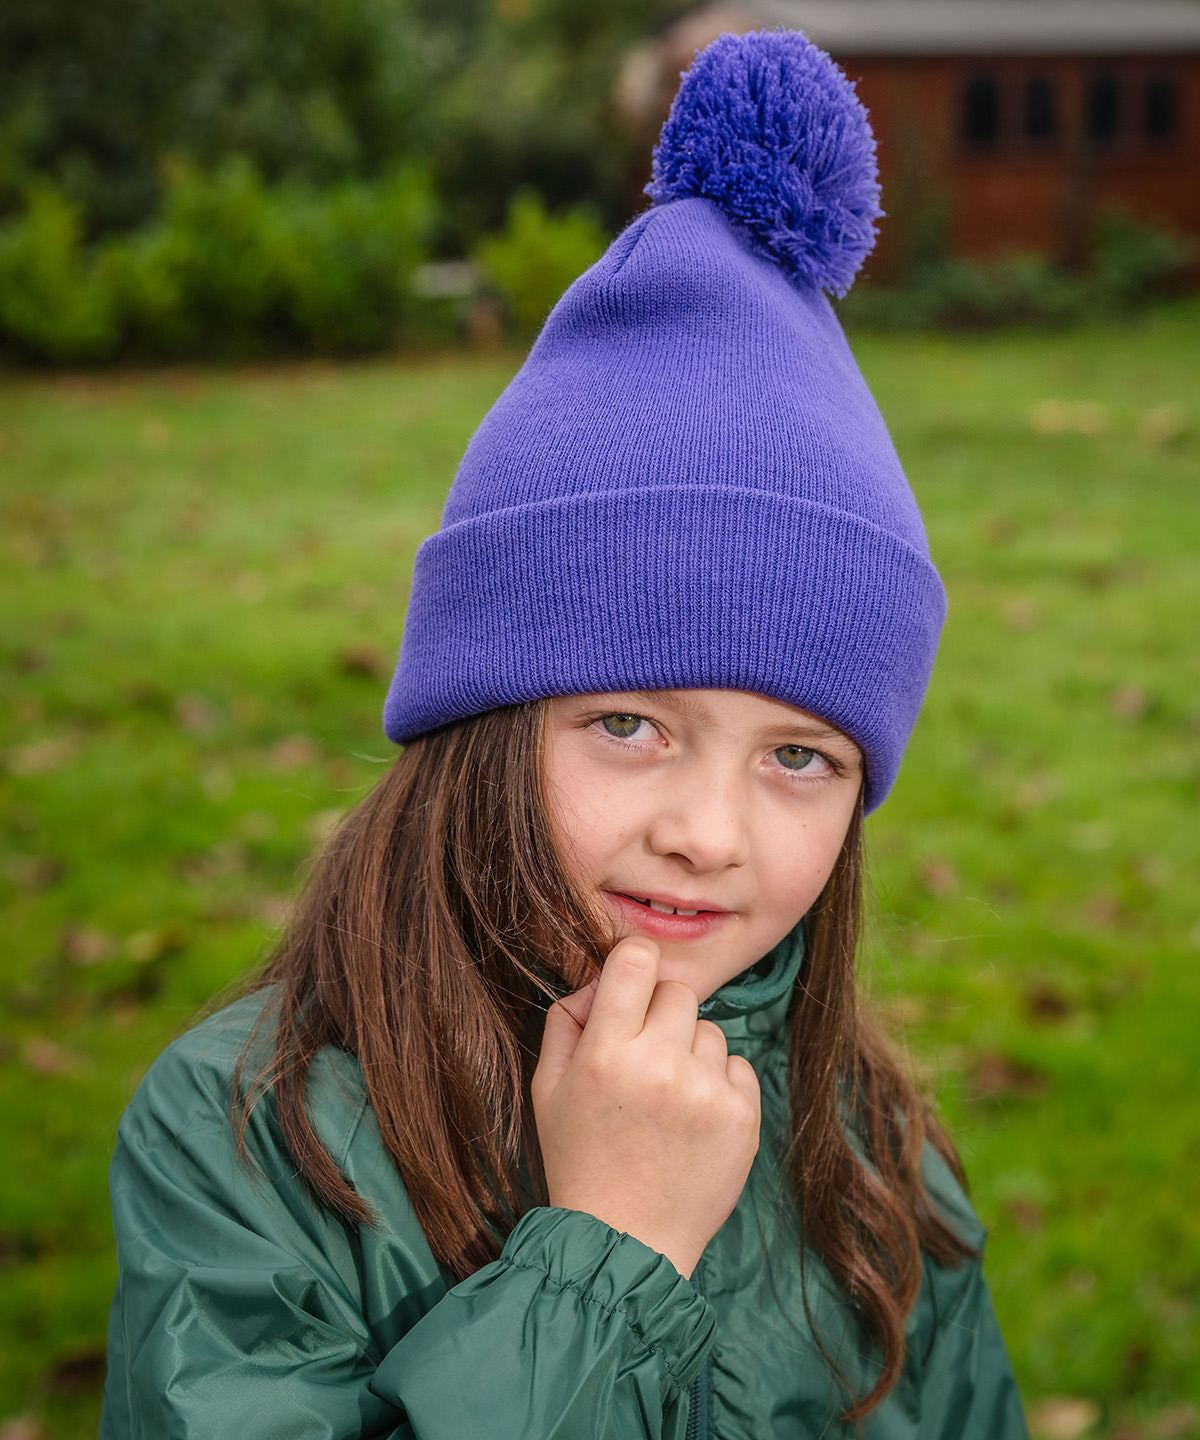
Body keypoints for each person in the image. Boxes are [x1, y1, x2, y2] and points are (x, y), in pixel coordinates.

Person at [100, 29, 1030, 1440]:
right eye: (628, 723)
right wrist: (606, 1256)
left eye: (799, 757)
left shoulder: (876, 1159)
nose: (707, 833)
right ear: (484, 719)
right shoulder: (249, 1143)